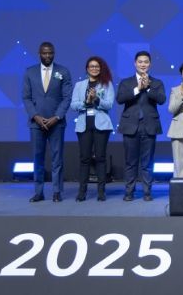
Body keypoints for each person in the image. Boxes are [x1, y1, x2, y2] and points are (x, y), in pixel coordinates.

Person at [22, 42, 72, 202]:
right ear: (39, 54)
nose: (48, 56)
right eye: (44, 53)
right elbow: (26, 97)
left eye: (50, 53)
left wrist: (56, 117)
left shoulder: (63, 71)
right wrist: (36, 116)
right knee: (38, 158)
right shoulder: (30, 72)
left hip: (56, 123)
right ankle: (39, 192)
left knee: (57, 158)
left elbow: (67, 98)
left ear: (54, 53)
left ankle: (57, 191)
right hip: (36, 123)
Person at [116, 51, 166, 201]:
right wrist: (138, 88)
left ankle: (147, 192)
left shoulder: (157, 82)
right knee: (130, 162)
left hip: (149, 126)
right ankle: (129, 192)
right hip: (130, 126)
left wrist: (148, 88)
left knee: (147, 163)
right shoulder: (126, 82)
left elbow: (161, 100)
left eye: (146, 62)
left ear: (150, 64)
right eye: (140, 62)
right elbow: (120, 99)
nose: (143, 64)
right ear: (135, 63)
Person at [70, 56, 114, 201]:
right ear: (87, 69)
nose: (94, 68)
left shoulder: (106, 84)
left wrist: (96, 99)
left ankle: (101, 192)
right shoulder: (79, 85)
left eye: (97, 66)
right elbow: (73, 105)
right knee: (84, 159)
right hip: (84, 125)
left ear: (101, 68)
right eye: (91, 66)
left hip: (102, 125)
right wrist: (86, 101)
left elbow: (109, 104)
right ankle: (82, 192)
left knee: (100, 158)